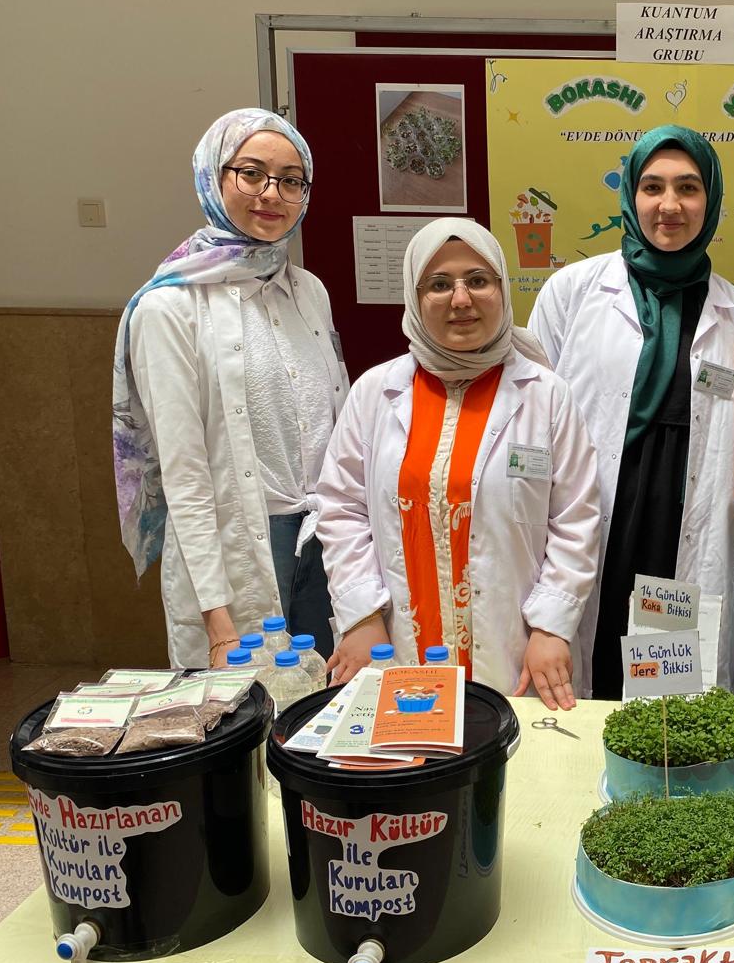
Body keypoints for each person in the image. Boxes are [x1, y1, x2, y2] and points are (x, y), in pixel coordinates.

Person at [315, 218, 600, 710]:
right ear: (414, 296)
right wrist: (362, 617)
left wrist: (551, 626)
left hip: (517, 649)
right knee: (409, 749)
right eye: (440, 284)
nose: (461, 299)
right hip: (396, 643)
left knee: (511, 751)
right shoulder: (375, 393)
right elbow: (341, 509)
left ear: (502, 290)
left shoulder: (547, 396)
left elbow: (576, 519)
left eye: (478, 280)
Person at [530, 125, 734, 697]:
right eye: (653, 187)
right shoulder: (572, 292)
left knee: (669, 697)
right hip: (596, 515)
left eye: (688, 187)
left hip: (685, 520)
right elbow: (532, 415)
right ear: (631, 195)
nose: (670, 205)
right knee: (591, 675)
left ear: (711, 200)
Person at [114, 108, 348, 675]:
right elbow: (185, 474)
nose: (272, 194)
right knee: (248, 706)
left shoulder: (308, 290)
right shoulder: (170, 307)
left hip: (323, 541)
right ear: (212, 177)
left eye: (291, 180)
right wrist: (216, 620)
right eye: (252, 173)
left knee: (323, 700)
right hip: (240, 546)